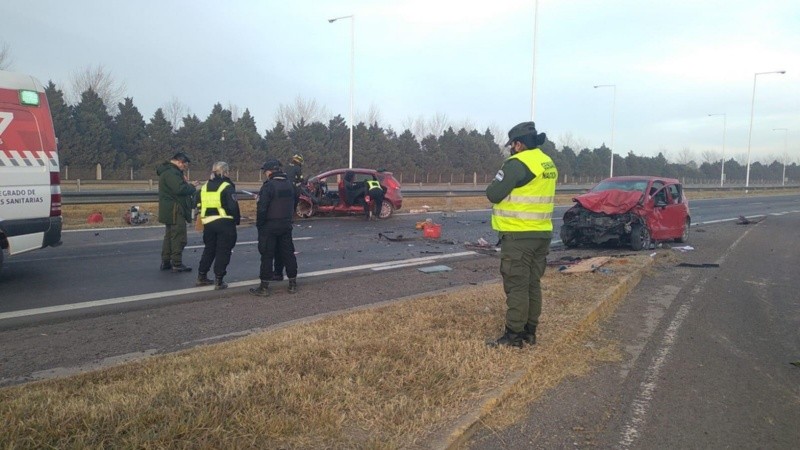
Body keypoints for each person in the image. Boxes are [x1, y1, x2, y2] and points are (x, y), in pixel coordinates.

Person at [486, 121, 558, 348]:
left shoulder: (518, 163)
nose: (510, 149)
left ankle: (513, 336)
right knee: (532, 284)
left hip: (518, 235)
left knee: (517, 285)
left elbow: (493, 193)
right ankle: (530, 331)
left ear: (518, 144)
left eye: (512, 145)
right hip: (542, 233)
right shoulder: (547, 162)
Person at [250, 159, 299, 297]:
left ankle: (264, 287)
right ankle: (292, 284)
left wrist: (260, 224)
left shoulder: (268, 186)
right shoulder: (290, 184)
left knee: (267, 254)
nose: (265, 174)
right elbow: (295, 201)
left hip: (270, 225)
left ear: (270, 171)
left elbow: (262, 208)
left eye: (265, 171)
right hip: (286, 224)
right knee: (288, 253)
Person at [196, 161, 240, 290]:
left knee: (209, 249)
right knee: (223, 251)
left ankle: (201, 275)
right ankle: (219, 280)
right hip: (224, 222)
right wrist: (236, 220)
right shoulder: (227, 186)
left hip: (208, 223)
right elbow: (233, 206)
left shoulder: (204, 186)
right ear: (225, 172)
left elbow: (198, 203)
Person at [157, 152, 199, 273]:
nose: (184, 168)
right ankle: (177, 263)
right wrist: (191, 186)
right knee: (178, 237)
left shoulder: (169, 172)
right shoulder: (171, 173)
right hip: (175, 209)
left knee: (169, 236)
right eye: (184, 166)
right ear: (179, 162)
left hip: (169, 209)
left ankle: (166, 261)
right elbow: (179, 189)